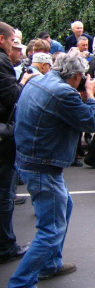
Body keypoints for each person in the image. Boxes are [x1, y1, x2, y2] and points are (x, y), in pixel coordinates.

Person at [6, 53, 95, 288]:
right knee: (50, 229)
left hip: (34, 160)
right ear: (78, 76)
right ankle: (20, 286)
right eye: (83, 79)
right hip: (42, 166)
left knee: (65, 206)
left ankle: (50, 263)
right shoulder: (64, 93)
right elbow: (92, 122)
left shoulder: (37, 81)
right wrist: (90, 94)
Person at [0, 22, 38, 265]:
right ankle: (5, 246)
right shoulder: (2, 61)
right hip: (3, 138)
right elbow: (12, 95)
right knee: (5, 195)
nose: (15, 44)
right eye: (12, 40)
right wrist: (24, 81)